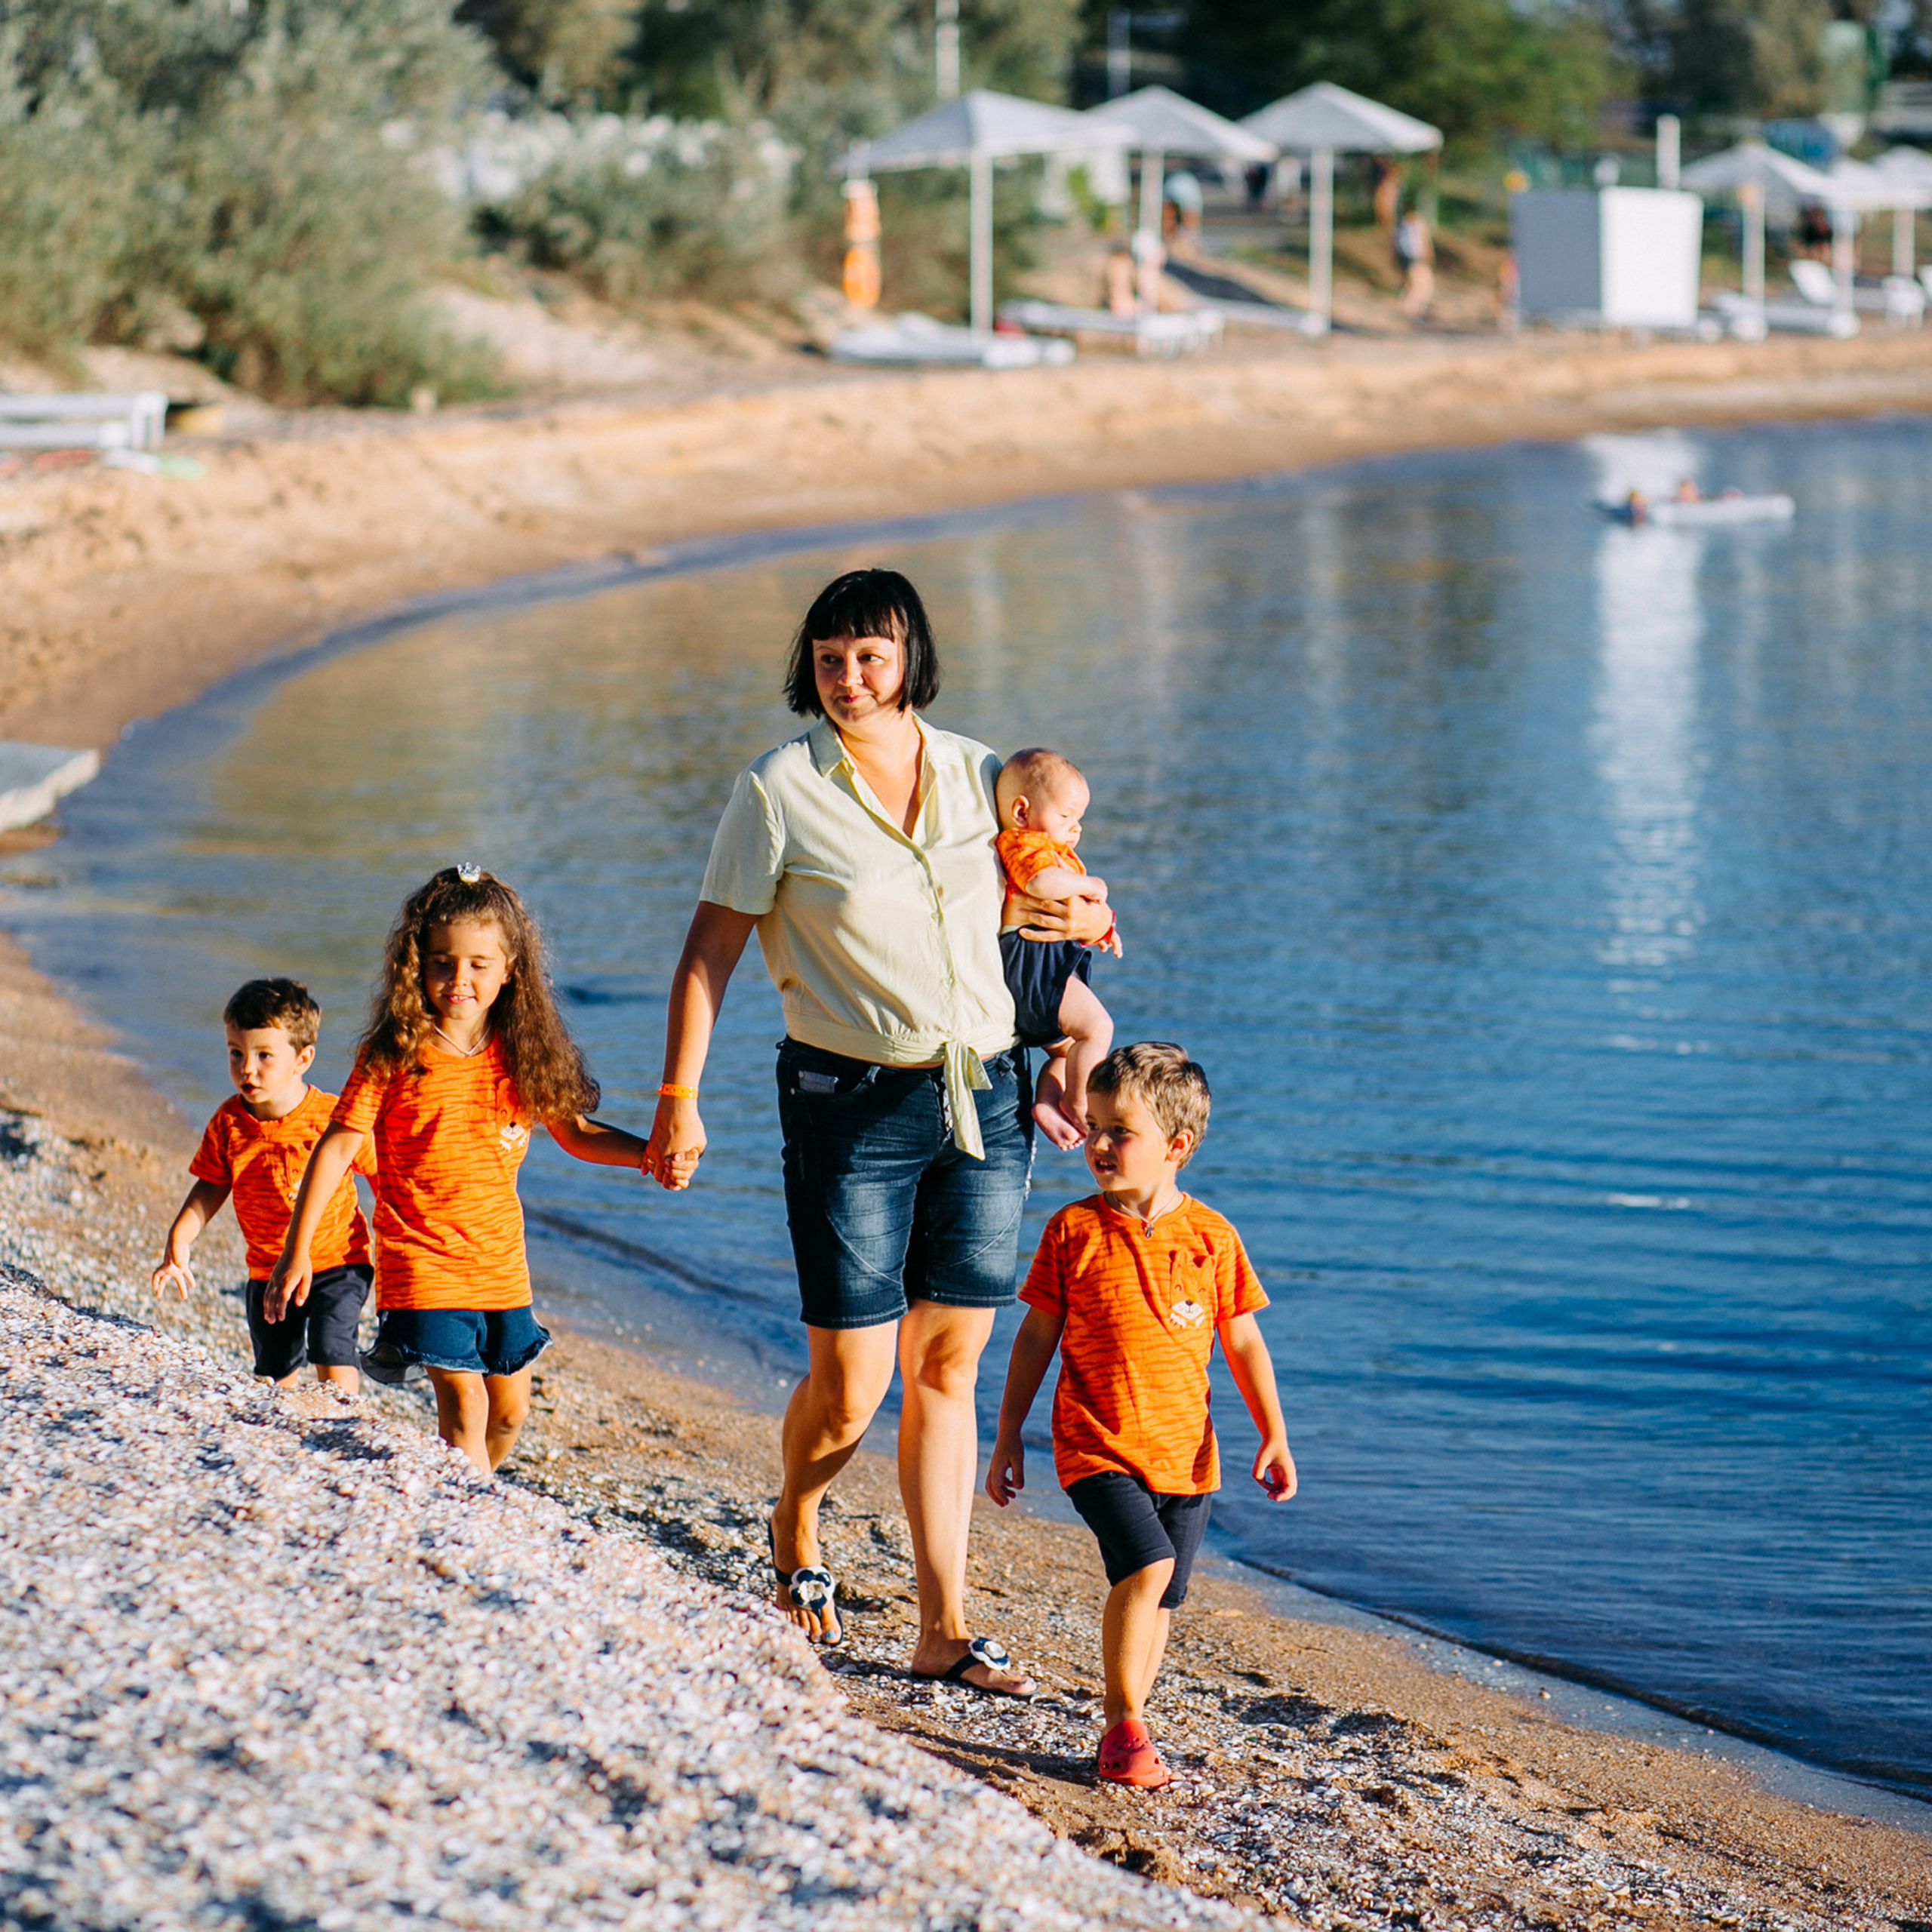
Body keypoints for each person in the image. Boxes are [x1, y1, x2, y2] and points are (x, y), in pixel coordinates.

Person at [643, 567, 1112, 1693]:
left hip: (982, 1100)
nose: (849, 678)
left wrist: (1080, 962)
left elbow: (1048, 897)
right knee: (852, 1384)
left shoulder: (980, 775)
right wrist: (678, 1098)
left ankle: (944, 1624)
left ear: (912, 660)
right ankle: (796, 1516)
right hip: (845, 1107)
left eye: (871, 657)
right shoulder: (778, 790)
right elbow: (708, 952)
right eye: (829, 658)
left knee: (949, 1368)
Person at [986, 1042, 1296, 1789]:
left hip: (1187, 1453)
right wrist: (1006, 1434)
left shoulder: (1212, 1237)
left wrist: (1274, 1431)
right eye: (1093, 1125)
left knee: (1164, 1594)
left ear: (1176, 1146)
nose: (1095, 1143)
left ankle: (1128, 1724)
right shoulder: (1072, 1231)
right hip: (1094, 1443)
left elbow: (1243, 1338)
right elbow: (1034, 1337)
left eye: (1116, 1131)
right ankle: (1124, 1725)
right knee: (1146, 1566)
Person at [268, 866, 648, 1474]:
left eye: (478, 963)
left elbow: (575, 1134)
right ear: (417, 965)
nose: (459, 979)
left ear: (511, 968)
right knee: (464, 1404)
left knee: (509, 1413)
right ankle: (468, 1521)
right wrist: (298, 1249)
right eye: (443, 962)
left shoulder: (524, 1051)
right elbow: (337, 1146)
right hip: (421, 1258)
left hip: (501, 1261)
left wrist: (647, 1153)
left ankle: (469, 1498)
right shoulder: (393, 1053)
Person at [152, 977, 375, 1394]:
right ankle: (281, 1437)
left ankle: (345, 1424)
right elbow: (212, 1185)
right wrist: (180, 1237)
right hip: (268, 1268)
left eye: (264, 1056)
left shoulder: (334, 1118)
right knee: (275, 1370)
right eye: (236, 1054)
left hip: (338, 1261)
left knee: (332, 1346)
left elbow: (382, 1177)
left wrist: (401, 1243)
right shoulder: (230, 1122)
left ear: (303, 1058)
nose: (247, 1069)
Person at [995, 748, 1120, 1150]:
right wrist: (1090, 885)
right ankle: (1081, 1102)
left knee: (1066, 1051)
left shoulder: (1051, 850)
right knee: (1098, 1029)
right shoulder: (1026, 845)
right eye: (1066, 816)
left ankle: (1049, 1103)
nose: (1076, 827)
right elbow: (1043, 886)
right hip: (1032, 965)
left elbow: (1069, 910)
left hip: (1041, 967)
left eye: (1079, 819)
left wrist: (1104, 927)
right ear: (1021, 812)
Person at [1396, 208, 1435, 321]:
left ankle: (1408, 308)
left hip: (1405, 260)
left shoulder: (1400, 228)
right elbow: (1419, 248)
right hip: (1414, 259)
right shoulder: (1413, 229)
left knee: (1411, 285)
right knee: (1423, 286)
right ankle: (1412, 310)